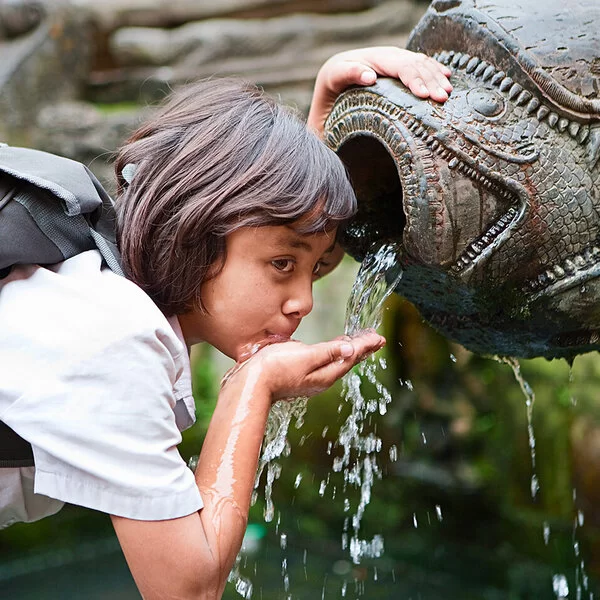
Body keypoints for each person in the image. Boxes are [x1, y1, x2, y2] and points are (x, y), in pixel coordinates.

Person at [0, 47, 451, 598]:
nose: (304, 302)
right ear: (194, 233)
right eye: (283, 266)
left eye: (311, 269)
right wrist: (252, 385)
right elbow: (187, 590)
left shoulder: (97, 265)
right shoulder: (113, 335)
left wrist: (323, 123)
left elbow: (271, 240)